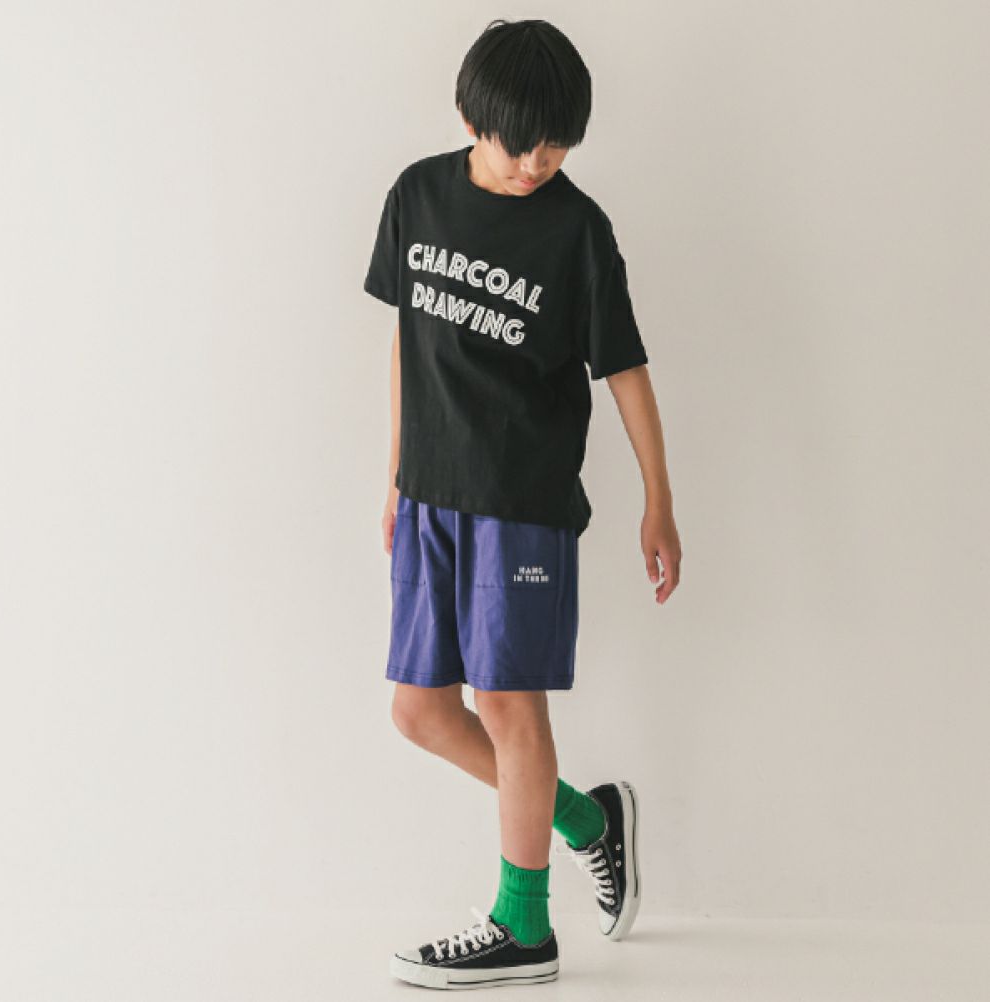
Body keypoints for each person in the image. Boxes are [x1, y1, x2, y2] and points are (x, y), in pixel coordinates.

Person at [363, 17, 681, 990]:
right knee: (420, 711)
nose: (538, 163)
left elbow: (623, 367)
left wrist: (659, 500)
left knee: (506, 702)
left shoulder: (577, 230)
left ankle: (524, 926)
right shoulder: (417, 197)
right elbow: (406, 345)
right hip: (431, 495)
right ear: (471, 119)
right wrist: (395, 474)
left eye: (558, 146)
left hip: (522, 504)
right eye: (520, 145)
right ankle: (587, 818)